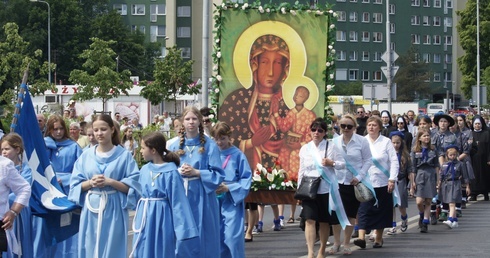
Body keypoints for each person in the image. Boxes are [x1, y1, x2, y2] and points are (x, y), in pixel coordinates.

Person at [68, 114, 140, 258]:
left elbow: (134, 187)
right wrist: (90, 183)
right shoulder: (86, 155)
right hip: (91, 208)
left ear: (112, 130)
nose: (99, 133)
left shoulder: (124, 156)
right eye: (96, 130)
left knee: (112, 246)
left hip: (114, 208)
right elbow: (74, 185)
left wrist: (111, 182)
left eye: (103, 129)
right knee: (90, 244)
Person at [218, 34, 290, 170]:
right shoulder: (236, 101)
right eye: (264, 62)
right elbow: (222, 139)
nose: (270, 72)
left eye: (277, 63)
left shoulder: (288, 106)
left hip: (280, 176)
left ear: (285, 67)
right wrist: (251, 142)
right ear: (254, 64)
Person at [168, 106, 225, 257]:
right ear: (182, 122)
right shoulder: (174, 145)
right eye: (187, 119)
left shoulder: (209, 145)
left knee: (203, 235)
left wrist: (197, 172)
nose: (191, 122)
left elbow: (218, 174)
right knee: (181, 235)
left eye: (194, 119)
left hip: (202, 197)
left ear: (200, 121)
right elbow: (168, 170)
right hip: (181, 195)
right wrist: (178, 172)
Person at [130, 132, 198, 258]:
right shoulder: (144, 169)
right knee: (142, 246)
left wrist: (183, 229)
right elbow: (137, 192)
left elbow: (178, 201)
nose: (140, 151)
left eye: (143, 148)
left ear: (153, 150)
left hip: (162, 217)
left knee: (161, 248)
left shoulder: (171, 172)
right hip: (144, 216)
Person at [34, 115, 82, 258]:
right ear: (49, 129)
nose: (59, 132)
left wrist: (64, 180)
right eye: (55, 129)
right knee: (48, 226)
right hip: (48, 191)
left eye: (61, 128)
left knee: (66, 225)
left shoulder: (73, 146)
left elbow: (80, 170)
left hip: (66, 190)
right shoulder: (43, 146)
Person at [330, 114, 372, 255]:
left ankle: (346, 243)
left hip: (354, 182)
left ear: (354, 127)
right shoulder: (334, 142)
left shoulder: (361, 141)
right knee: (336, 215)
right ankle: (336, 242)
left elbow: (368, 160)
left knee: (350, 215)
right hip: (337, 181)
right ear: (339, 126)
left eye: (349, 126)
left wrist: (359, 177)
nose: (346, 129)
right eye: (343, 126)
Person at [354, 116, 398, 249]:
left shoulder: (386, 142)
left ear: (379, 127)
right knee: (363, 210)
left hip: (382, 181)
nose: (371, 127)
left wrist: (392, 178)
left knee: (381, 210)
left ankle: (378, 238)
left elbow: (394, 161)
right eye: (369, 125)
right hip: (366, 182)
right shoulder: (361, 141)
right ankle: (361, 238)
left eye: (374, 125)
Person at [299, 118, 341, 258]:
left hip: (325, 189)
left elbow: (343, 164)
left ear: (324, 133)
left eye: (320, 130)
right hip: (309, 189)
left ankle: (322, 249)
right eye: (314, 130)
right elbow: (302, 170)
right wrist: (299, 190)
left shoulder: (331, 146)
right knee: (309, 220)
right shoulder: (305, 148)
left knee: (324, 221)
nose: (316, 133)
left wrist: (332, 163)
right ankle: (310, 252)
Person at [274, 86, 316, 223]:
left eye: (300, 96)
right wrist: (275, 116)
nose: (296, 97)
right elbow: (284, 127)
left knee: (298, 174)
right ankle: (284, 208)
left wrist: (300, 144)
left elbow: (312, 135)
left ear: (305, 98)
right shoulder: (291, 112)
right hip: (288, 147)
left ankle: (302, 206)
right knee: (282, 170)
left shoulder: (310, 115)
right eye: (296, 94)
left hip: (300, 149)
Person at [212, 122, 252, 258]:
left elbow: (246, 179)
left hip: (231, 200)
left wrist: (229, 188)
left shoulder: (238, 155)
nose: (219, 142)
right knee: (216, 237)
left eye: (222, 138)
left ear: (229, 137)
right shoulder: (211, 153)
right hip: (213, 201)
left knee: (232, 238)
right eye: (216, 139)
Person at [1, 133, 33, 258]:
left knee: (17, 244)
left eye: (7, 149)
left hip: (16, 212)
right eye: (2, 149)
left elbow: (24, 189)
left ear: (17, 149)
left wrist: (13, 208)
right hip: (4, 208)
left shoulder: (23, 169)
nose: (4, 152)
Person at [386, 131, 414, 236]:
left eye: (398, 143)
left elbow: (410, 170)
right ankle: (393, 226)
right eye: (393, 143)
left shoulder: (405, 155)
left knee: (401, 204)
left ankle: (404, 218)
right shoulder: (387, 154)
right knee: (391, 204)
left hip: (401, 180)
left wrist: (412, 184)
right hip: (390, 180)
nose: (395, 145)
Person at [411, 129, 439, 233]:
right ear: (419, 138)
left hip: (430, 174)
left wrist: (438, 179)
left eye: (428, 136)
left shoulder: (433, 149)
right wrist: (412, 181)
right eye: (424, 136)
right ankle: (422, 215)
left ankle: (425, 222)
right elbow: (413, 168)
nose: (426, 138)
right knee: (419, 201)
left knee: (428, 200)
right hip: (420, 174)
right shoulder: (415, 151)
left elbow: (436, 165)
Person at [432, 113, 459, 222]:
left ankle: (445, 210)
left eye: (445, 122)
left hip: (447, 165)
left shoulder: (452, 136)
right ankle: (433, 212)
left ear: (448, 124)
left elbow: (455, 151)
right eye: (441, 121)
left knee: (445, 188)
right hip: (434, 164)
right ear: (438, 123)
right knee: (434, 188)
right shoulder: (432, 134)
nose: (443, 124)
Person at [439, 146, 470, 229]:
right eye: (450, 155)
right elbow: (441, 175)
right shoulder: (444, 165)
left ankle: (450, 219)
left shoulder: (460, 164)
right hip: (446, 184)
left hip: (456, 183)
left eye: (454, 155)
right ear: (447, 155)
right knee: (449, 202)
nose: (452, 156)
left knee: (452, 202)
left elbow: (465, 176)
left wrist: (467, 186)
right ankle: (455, 220)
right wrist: (439, 185)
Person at [468, 115, 490, 201]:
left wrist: (489, 158)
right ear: (473, 124)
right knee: (474, 176)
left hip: (484, 159)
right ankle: (474, 194)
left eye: (479, 124)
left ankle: (485, 193)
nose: (477, 126)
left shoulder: (487, 134)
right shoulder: (470, 134)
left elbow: (489, 147)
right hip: (473, 159)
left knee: (485, 175)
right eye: (475, 124)